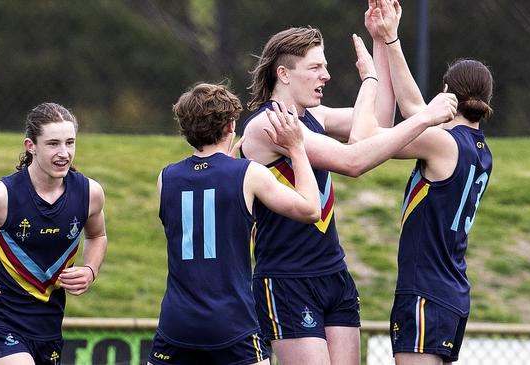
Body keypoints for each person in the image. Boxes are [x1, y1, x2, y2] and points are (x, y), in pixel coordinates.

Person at [242, 15, 458, 365]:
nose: (325, 75)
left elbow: (376, 125)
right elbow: (352, 161)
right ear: (284, 74)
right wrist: (424, 117)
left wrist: (380, 40)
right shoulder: (270, 124)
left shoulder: (317, 117)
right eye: (315, 68)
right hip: (288, 279)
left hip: (333, 275)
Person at [352, 1, 495, 364]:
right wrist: (390, 39)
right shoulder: (479, 151)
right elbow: (415, 111)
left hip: (424, 293)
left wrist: (371, 80)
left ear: (447, 93)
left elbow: (371, 135)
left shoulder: (442, 143)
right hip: (451, 293)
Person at [147, 83, 322, 365]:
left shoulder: (166, 178)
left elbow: (206, 188)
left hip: (177, 323)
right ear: (230, 126)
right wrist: (297, 148)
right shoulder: (248, 174)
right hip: (232, 323)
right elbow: (312, 209)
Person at [0, 102, 108, 365]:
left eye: (70, 143)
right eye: (53, 144)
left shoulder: (89, 193)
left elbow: (97, 236)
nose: (64, 153)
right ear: (30, 146)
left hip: (49, 328)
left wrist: (90, 270)